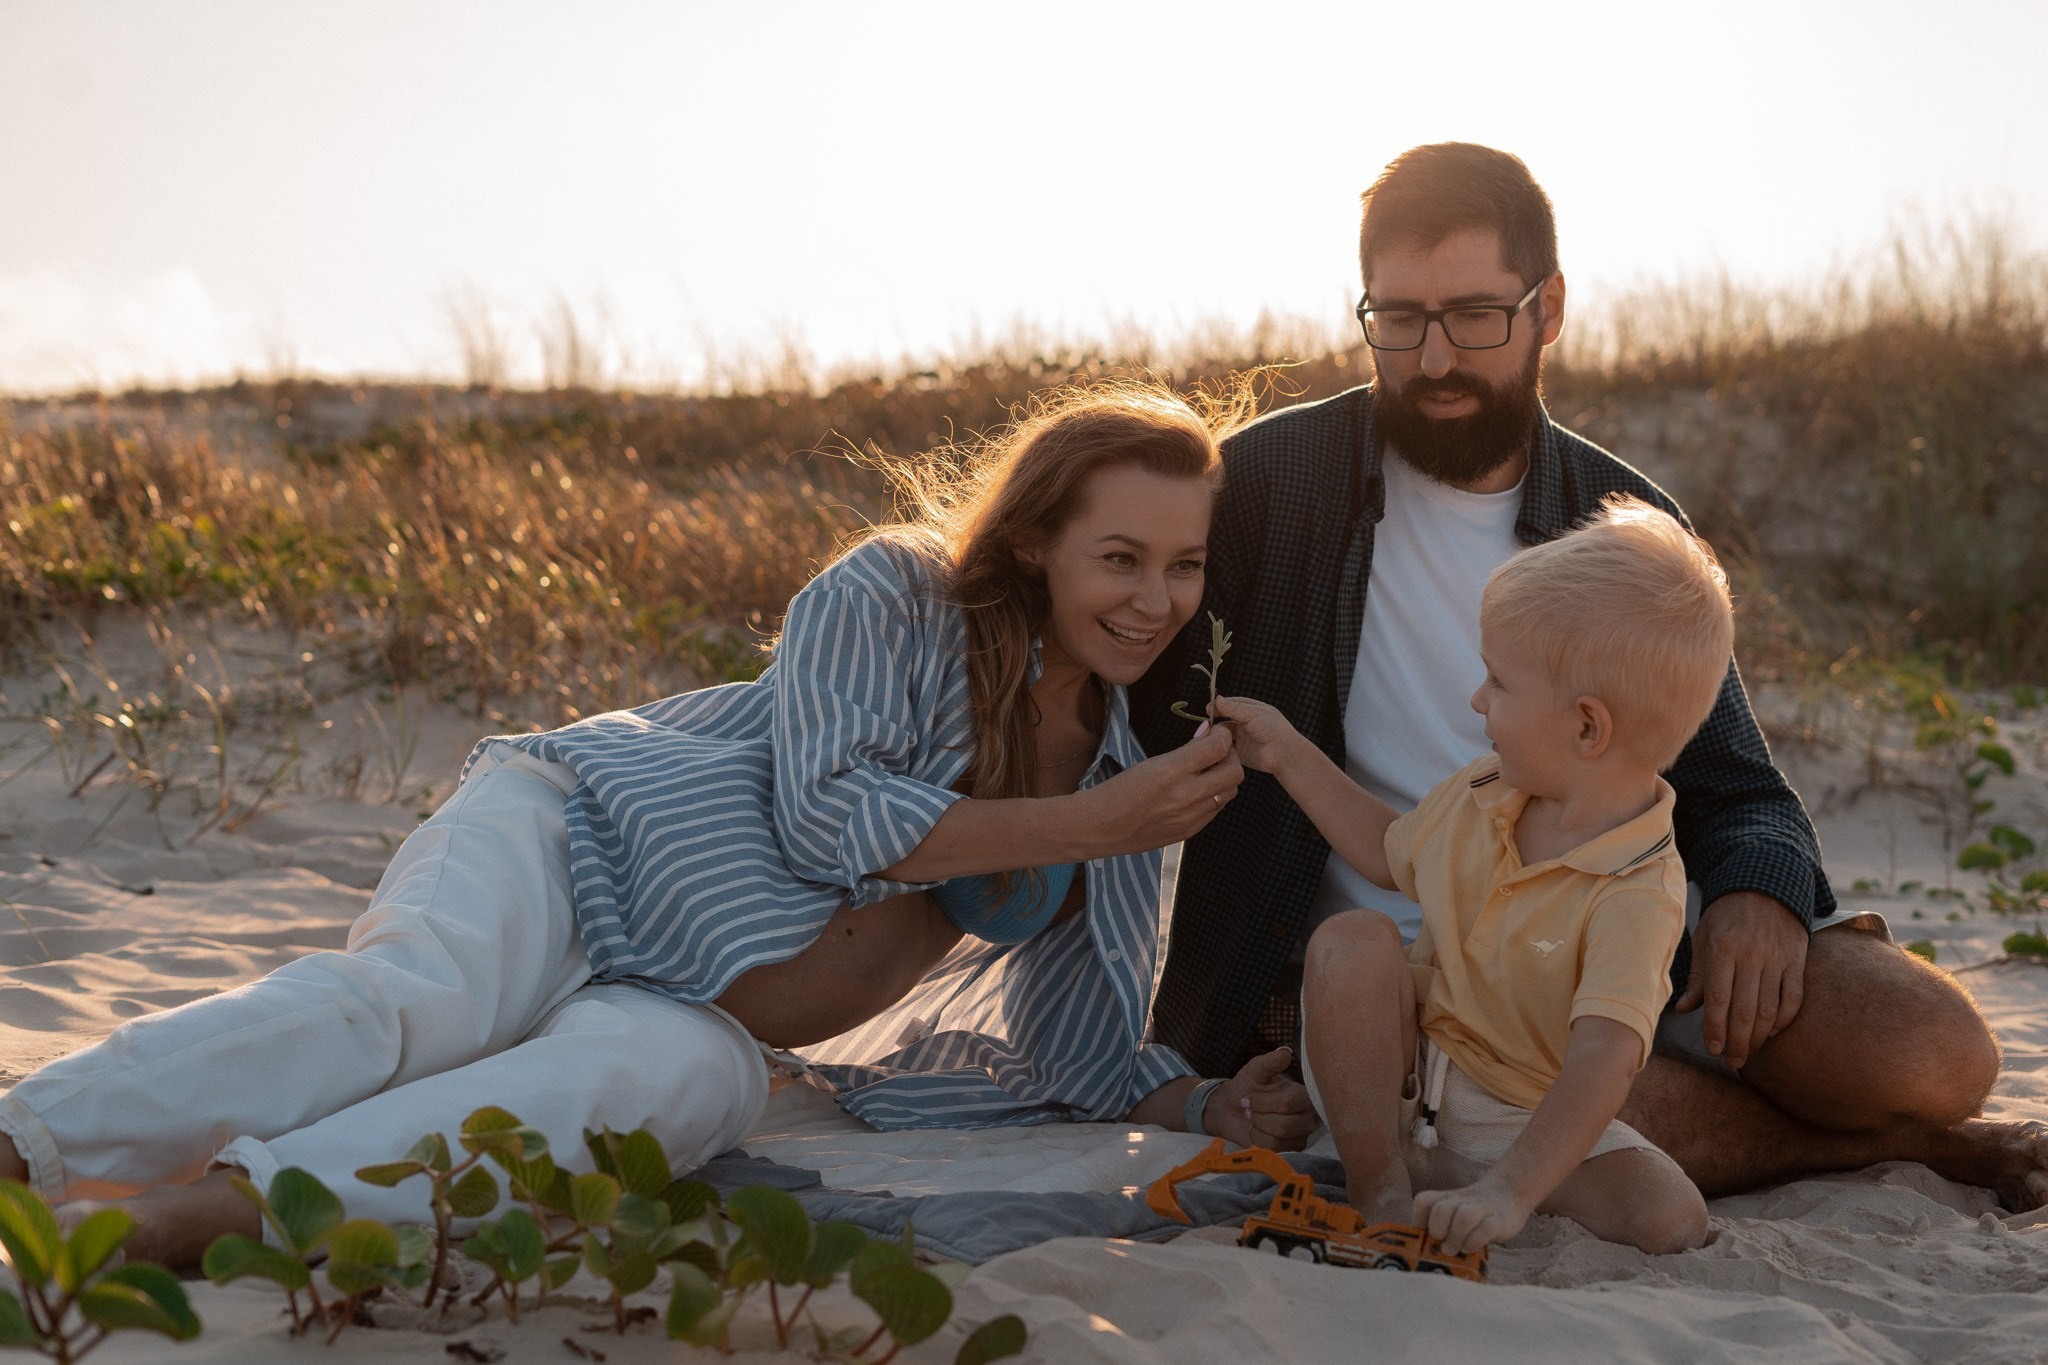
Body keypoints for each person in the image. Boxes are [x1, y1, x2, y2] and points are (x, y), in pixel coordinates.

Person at [0, 382, 1315, 1266]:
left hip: (696, 1004)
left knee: (682, 1089)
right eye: (1121, 558)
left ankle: (209, 1213)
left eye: (1184, 564)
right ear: (1038, 543)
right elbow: (826, 818)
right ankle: (30, 1144)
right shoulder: (902, 597)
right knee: (428, 1003)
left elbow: (1073, 1039)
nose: (1155, 598)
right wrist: (1079, 825)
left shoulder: (1135, 772)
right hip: (571, 843)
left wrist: (1205, 1096)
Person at [1132, 142, 2048, 1210]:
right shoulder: (1263, 485)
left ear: (1547, 307)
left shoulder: (1617, 517)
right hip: (1407, 976)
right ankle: (1868, 1151)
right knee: (1597, 1110)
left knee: (1934, 1052)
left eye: (1473, 315)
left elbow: (1733, 776)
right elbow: (1125, 676)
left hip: (1619, 936)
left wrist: (1757, 892)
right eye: (1397, 318)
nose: (1431, 358)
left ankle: (1870, 1117)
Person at [1218, 498, 1728, 1259]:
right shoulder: (1487, 790)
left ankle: (1456, 1176)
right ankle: (1380, 1182)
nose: (1476, 699)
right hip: (1392, 1078)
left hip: (1516, 1115)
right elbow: (1389, 853)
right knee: (1353, 939)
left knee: (1671, 1215)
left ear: (1587, 726)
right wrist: (1288, 752)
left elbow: (1603, 1061)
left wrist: (1510, 1190)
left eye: (1498, 682)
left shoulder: (1638, 887)